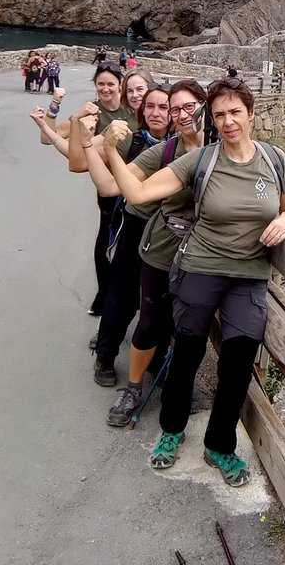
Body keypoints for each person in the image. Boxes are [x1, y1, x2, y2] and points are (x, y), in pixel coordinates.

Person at [104, 77, 285, 486]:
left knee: (238, 363)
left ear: (251, 114)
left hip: (249, 277)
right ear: (212, 120)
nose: (228, 122)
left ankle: (220, 445)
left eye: (235, 113)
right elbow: (138, 195)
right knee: (188, 354)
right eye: (220, 115)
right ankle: (171, 430)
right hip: (200, 269)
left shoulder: (275, 158)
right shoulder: (201, 160)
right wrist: (107, 149)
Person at [98, 80, 208, 425]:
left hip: (205, 255)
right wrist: (105, 149)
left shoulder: (225, 148)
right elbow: (114, 187)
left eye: (189, 106)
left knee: (188, 327)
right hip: (162, 248)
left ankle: (176, 385)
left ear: (205, 107)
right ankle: (133, 388)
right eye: (176, 110)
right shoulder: (165, 152)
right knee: (150, 320)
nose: (182, 115)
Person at [39, 62, 137, 316]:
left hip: (136, 183)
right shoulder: (90, 113)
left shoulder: (134, 110)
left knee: (130, 243)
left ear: (120, 85)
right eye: (101, 84)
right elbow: (46, 137)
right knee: (106, 240)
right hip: (109, 188)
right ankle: (104, 295)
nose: (106, 89)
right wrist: (56, 106)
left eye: (110, 84)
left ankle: (125, 297)